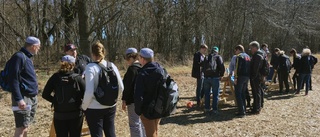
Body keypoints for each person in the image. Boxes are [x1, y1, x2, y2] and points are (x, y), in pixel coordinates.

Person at [81, 41, 124, 137]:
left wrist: (84, 106)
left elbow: (89, 91)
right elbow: (121, 87)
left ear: (92, 54)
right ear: (103, 52)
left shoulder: (90, 67)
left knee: (96, 134)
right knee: (111, 133)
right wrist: (113, 100)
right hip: (111, 106)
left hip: (94, 108)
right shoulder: (111, 65)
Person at [42, 55, 85, 137]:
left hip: (59, 115)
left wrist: (56, 101)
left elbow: (45, 94)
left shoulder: (55, 78)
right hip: (76, 115)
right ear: (73, 64)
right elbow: (86, 94)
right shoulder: (77, 78)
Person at [7, 36, 41, 137]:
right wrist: (19, 99)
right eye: (38, 47)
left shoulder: (27, 58)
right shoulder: (19, 57)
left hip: (30, 97)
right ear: (34, 47)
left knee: (25, 126)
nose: (38, 50)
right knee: (21, 128)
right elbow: (13, 79)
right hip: (23, 98)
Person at [134, 48, 165, 137]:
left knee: (150, 134)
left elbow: (138, 95)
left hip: (147, 110)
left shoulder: (142, 74)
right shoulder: (160, 69)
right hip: (159, 107)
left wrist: (138, 111)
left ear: (142, 59)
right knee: (155, 132)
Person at [121, 48, 146, 137]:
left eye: (126, 58)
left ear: (130, 57)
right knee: (143, 123)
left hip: (133, 101)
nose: (126, 61)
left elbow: (127, 88)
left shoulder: (132, 70)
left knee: (134, 124)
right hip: (143, 100)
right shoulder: (143, 67)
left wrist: (124, 100)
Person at [202, 46, 225, 115]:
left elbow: (203, 67)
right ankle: (214, 109)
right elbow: (222, 67)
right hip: (215, 78)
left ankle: (207, 108)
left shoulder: (206, 57)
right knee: (215, 94)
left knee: (207, 94)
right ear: (217, 51)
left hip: (206, 78)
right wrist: (221, 75)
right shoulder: (218, 57)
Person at [233, 45, 251, 117]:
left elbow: (237, 67)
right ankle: (244, 109)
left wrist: (235, 77)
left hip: (240, 76)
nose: (235, 52)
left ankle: (241, 111)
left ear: (238, 50)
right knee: (243, 93)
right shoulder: (248, 56)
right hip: (247, 76)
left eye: (235, 50)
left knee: (238, 93)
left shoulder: (239, 56)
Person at [249, 41, 263, 114]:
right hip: (258, 76)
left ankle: (257, 108)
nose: (250, 50)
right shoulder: (260, 54)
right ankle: (257, 106)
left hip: (256, 76)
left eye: (251, 48)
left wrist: (253, 76)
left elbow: (256, 68)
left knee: (256, 92)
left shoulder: (257, 56)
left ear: (255, 48)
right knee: (257, 91)